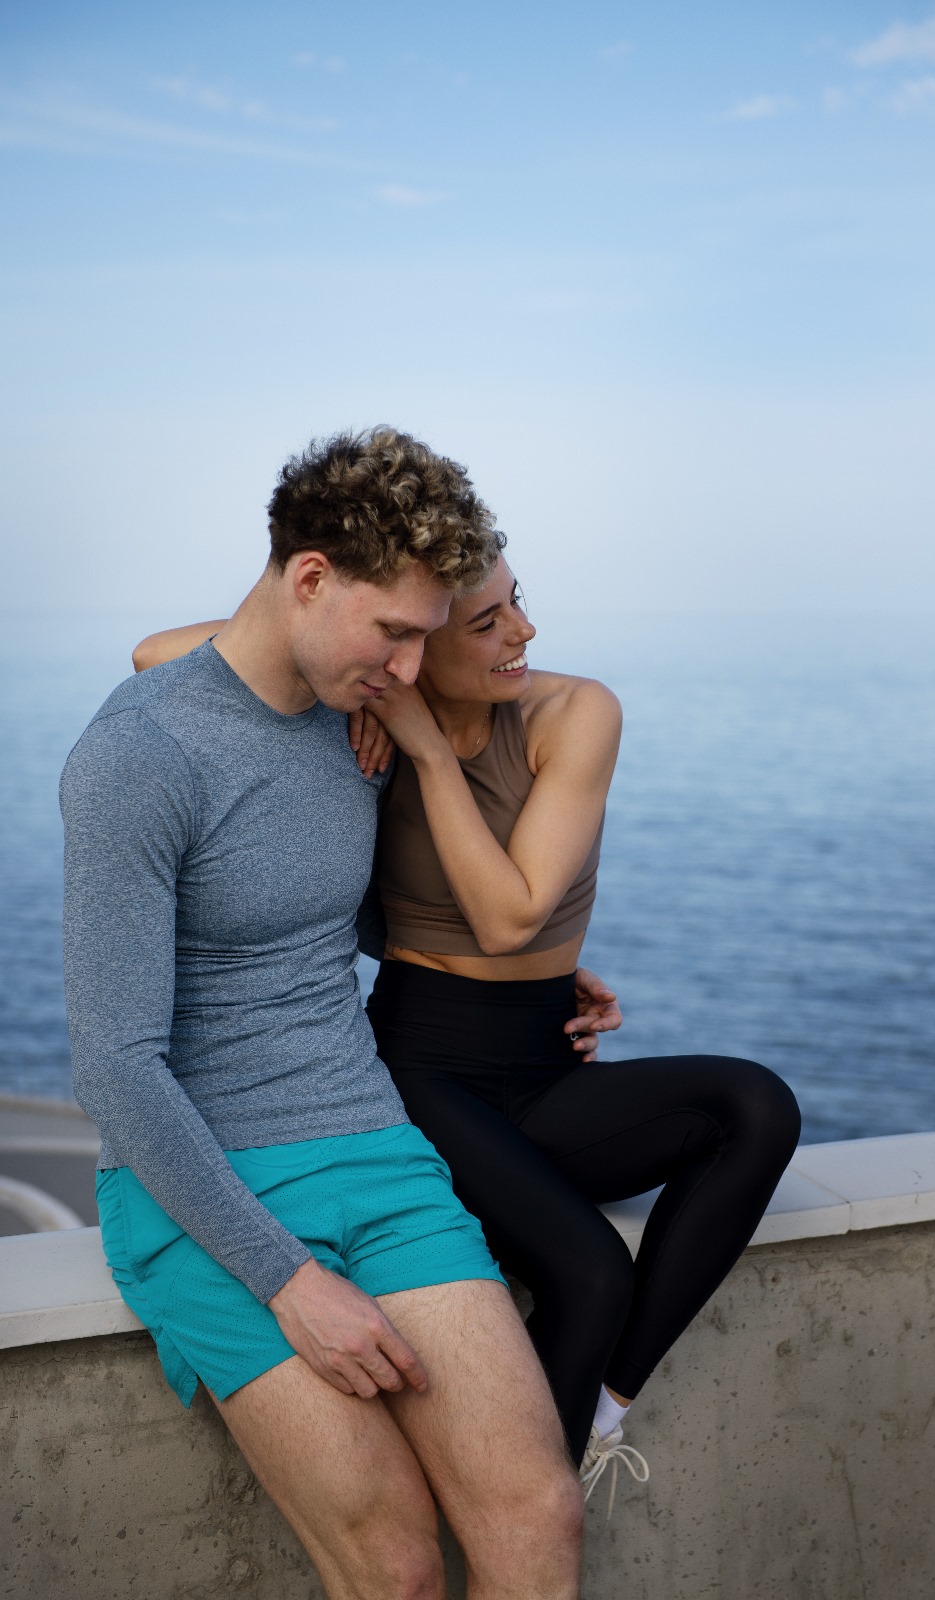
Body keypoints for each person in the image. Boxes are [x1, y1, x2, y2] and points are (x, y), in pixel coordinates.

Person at [138, 545, 803, 1501]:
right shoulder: (362, 708)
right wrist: (390, 706)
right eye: (484, 623)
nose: (523, 632)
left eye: (516, 604)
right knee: (589, 1273)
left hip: (545, 1062)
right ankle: (526, 1516)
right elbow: (154, 654)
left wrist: (420, 743)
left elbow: (516, 917)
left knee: (755, 1105)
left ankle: (600, 1411)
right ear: (413, 642)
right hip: (419, 1074)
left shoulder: (575, 712)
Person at [62, 429, 585, 1600]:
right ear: (309, 577)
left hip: (376, 1149)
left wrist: (531, 982)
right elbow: (115, 1065)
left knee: (538, 1513)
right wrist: (287, 1280)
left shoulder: (358, 725)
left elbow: (343, 919)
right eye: (394, 631)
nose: (410, 667)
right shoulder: (138, 753)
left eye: (426, 635)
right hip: (202, 1183)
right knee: (394, 1565)